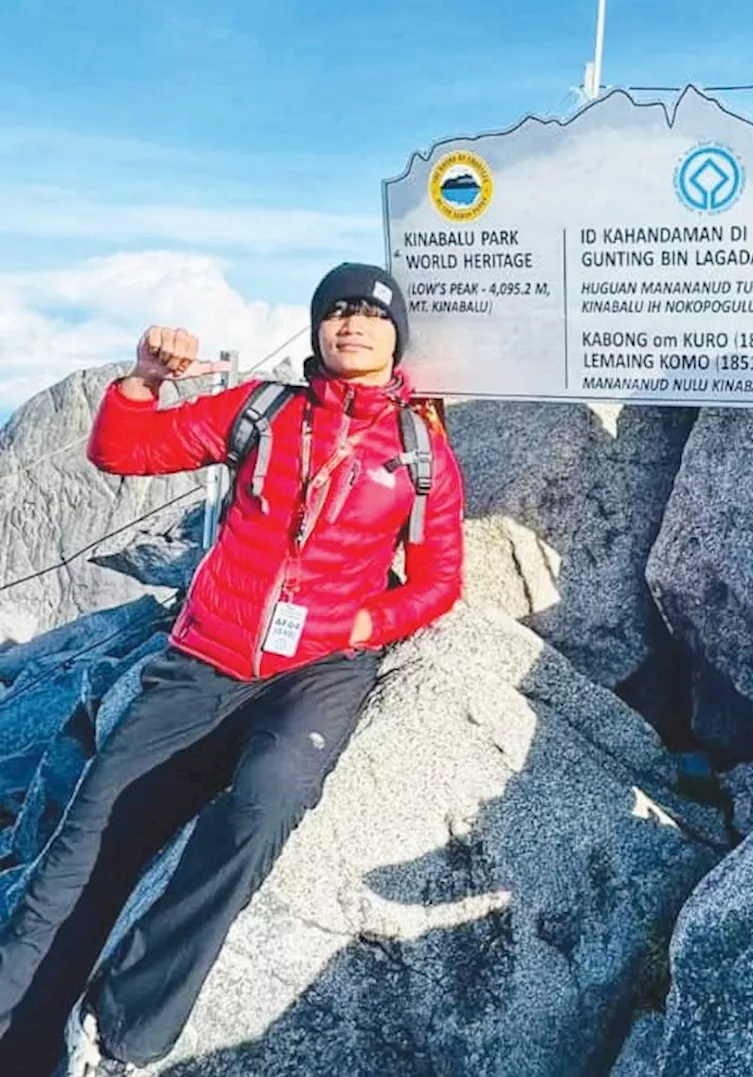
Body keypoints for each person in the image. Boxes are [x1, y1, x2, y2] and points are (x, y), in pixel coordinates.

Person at [0, 263, 464, 1075]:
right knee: (84, 845)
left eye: (370, 313)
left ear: (397, 337)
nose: (351, 323)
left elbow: (438, 579)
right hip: (204, 657)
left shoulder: (419, 451)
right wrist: (144, 384)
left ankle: (125, 1029)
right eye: (336, 311)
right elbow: (121, 451)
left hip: (317, 670)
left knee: (263, 803)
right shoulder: (267, 410)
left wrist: (364, 621)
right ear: (318, 328)